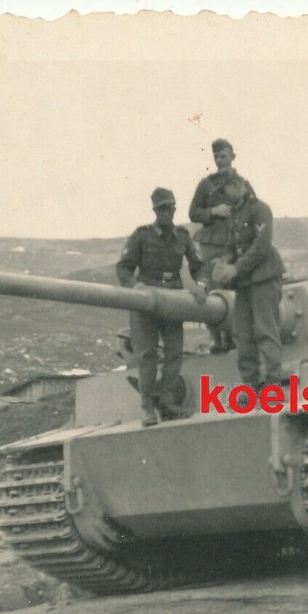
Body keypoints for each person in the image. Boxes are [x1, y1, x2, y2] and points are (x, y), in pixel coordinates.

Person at [116, 187, 208, 427]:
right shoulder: (142, 236)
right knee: (147, 355)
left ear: (175, 209)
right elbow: (123, 268)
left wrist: (200, 285)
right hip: (146, 300)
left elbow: (198, 265)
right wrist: (135, 286)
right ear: (155, 210)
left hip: (172, 300)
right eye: (161, 209)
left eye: (170, 208)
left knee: (174, 352)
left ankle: (167, 403)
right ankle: (147, 408)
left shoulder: (183, 236)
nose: (166, 212)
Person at [213, 178, 286, 390]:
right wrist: (224, 262)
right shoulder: (235, 214)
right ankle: (251, 385)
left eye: (226, 188)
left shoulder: (259, 209)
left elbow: (262, 246)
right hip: (244, 283)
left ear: (239, 186)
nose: (224, 194)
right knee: (242, 334)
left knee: (266, 330)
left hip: (264, 277)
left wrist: (236, 268)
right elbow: (231, 245)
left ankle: (273, 384)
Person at [189, 138, 251, 353]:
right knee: (214, 291)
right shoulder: (206, 184)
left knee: (236, 289)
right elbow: (193, 212)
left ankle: (235, 338)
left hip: (236, 243)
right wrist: (214, 211)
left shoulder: (243, 184)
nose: (219, 160)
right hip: (213, 244)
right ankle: (216, 339)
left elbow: (253, 209)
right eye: (215, 156)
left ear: (232, 156)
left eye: (223, 156)